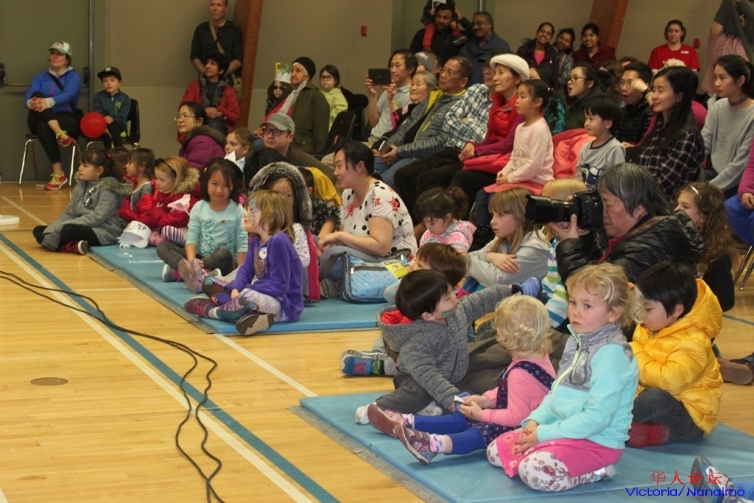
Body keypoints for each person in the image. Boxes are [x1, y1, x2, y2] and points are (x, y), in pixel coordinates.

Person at [487, 262, 641, 492]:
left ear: (613, 313)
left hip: (595, 442)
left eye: (587, 305)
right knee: (496, 451)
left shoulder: (613, 354)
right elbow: (556, 392)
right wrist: (535, 421)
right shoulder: (576, 341)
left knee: (534, 472)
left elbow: (597, 417)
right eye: (573, 302)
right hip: (560, 431)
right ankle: (547, 451)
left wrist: (543, 433)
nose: (576, 311)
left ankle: (597, 471)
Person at [367, 295, 555, 465]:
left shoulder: (521, 373)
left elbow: (516, 417)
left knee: (478, 432)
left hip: (519, 427)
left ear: (505, 335)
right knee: (464, 415)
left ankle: (434, 445)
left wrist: (481, 415)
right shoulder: (536, 355)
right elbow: (512, 391)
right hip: (513, 415)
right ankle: (409, 422)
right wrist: (486, 400)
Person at [354, 268, 539, 417]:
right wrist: (451, 398)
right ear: (428, 315)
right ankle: (377, 408)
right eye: (448, 298)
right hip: (419, 380)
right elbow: (428, 376)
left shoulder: (454, 313)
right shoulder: (416, 342)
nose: (455, 297)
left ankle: (431, 407)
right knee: (420, 393)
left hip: (455, 373)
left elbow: (480, 301)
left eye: (452, 291)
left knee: (478, 389)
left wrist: (512, 290)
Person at [554, 163, 704, 284]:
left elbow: (596, 293)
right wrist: (584, 237)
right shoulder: (646, 235)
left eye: (607, 203)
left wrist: (570, 244)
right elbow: (599, 268)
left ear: (639, 207)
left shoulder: (651, 248)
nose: (601, 211)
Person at [185, 190, 304, 336]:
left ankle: (212, 311)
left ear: (270, 214)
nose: (245, 214)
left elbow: (279, 285)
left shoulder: (279, 241)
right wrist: (236, 287)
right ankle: (248, 315)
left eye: (251, 210)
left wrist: (245, 290)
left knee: (247, 296)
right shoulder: (256, 241)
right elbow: (246, 270)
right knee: (209, 282)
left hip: (284, 305)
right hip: (260, 296)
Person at [629, 262, 722, 448]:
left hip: (689, 419)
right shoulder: (649, 327)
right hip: (654, 409)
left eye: (647, 309)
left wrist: (631, 352)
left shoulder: (694, 341)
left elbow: (668, 382)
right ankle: (644, 431)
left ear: (677, 310)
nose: (640, 314)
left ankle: (610, 425)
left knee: (656, 398)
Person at [342, 243, 469, 378]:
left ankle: (384, 363)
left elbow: (390, 293)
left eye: (419, 265)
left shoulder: (452, 303)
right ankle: (378, 357)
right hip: (410, 353)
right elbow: (389, 294)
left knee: (404, 353)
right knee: (391, 330)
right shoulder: (427, 296)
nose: (412, 265)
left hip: (429, 359)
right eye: (415, 261)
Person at [386, 55, 484, 202]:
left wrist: (400, 151)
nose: (443, 75)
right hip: (402, 149)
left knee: (386, 182)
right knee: (366, 168)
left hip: (420, 154)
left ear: (463, 82)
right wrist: (387, 146)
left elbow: (439, 142)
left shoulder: (462, 104)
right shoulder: (433, 95)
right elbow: (407, 123)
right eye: (443, 69)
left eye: (450, 72)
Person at [318, 141, 417, 287]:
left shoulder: (379, 194)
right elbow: (346, 238)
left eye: (339, 166)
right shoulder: (347, 194)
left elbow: (381, 247)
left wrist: (339, 237)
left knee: (332, 257)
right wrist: (332, 242)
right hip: (362, 256)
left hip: (392, 263)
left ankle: (317, 281)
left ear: (360, 166)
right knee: (313, 242)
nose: (335, 172)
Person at [451, 53, 529, 208]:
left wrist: (477, 151)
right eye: (495, 72)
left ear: (517, 79)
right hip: (494, 158)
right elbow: (488, 139)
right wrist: (472, 145)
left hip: (511, 164)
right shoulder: (498, 103)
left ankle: (450, 219)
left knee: (462, 177)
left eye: (501, 73)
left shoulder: (523, 107)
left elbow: (509, 144)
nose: (495, 77)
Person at [157, 159, 247, 291]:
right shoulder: (199, 207)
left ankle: (188, 274)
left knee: (223, 254)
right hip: (199, 258)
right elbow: (192, 237)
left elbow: (242, 242)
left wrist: (240, 273)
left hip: (223, 262)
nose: (219, 190)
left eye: (226, 185)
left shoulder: (237, 210)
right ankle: (193, 272)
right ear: (206, 183)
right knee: (163, 246)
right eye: (214, 184)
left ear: (233, 186)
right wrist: (192, 260)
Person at [32, 149, 130, 254]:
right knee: (40, 231)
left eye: (85, 166)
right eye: (80, 165)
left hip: (103, 230)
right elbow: (69, 212)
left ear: (99, 170)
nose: (80, 168)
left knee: (67, 230)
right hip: (80, 224)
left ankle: (66, 245)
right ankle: (74, 246)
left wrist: (62, 226)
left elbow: (97, 217)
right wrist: (55, 227)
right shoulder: (80, 186)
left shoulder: (108, 188)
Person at [637, 66, 704, 201]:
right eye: (654, 90)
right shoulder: (659, 126)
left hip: (667, 204)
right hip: (642, 198)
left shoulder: (687, 135)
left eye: (660, 91)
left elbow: (664, 185)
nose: (654, 96)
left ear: (679, 96)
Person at [24, 41, 82, 190]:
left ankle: (58, 174)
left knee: (43, 127)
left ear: (67, 59)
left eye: (60, 54)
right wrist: (32, 103)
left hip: (66, 118)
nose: (55, 56)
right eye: (53, 53)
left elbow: (68, 95)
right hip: (37, 117)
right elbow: (28, 96)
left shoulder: (74, 77)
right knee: (37, 94)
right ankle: (59, 134)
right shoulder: (40, 77)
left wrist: (47, 102)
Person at [468, 189, 549, 287]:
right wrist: (489, 256)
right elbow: (467, 259)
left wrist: (467, 259)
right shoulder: (501, 239)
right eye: (492, 215)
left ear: (520, 215)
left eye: (500, 215)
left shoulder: (534, 248)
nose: (492, 221)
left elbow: (496, 279)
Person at [675, 183, 736, 312]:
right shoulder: (675, 240)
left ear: (703, 215)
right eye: (678, 204)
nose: (676, 210)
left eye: (685, 206)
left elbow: (725, 300)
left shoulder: (717, 255)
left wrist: (690, 305)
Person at [702, 55, 754, 197]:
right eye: (715, 77)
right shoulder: (718, 106)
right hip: (714, 175)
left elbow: (740, 166)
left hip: (738, 183)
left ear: (740, 80)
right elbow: (703, 144)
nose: (717, 83)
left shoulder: (752, 115)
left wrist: (705, 190)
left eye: (723, 78)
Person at [540, 179, 588, 330]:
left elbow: (562, 299)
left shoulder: (572, 247)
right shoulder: (557, 240)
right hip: (548, 299)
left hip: (560, 315)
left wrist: (540, 328)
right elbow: (550, 280)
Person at [122, 157, 200, 246]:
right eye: (156, 178)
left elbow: (171, 221)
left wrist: (158, 210)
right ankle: (160, 239)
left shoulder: (187, 199)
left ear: (175, 180)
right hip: (165, 225)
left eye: (162, 180)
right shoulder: (163, 194)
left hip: (185, 231)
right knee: (145, 230)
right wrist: (138, 223)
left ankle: (166, 239)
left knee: (168, 230)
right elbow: (151, 215)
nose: (157, 183)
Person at [269, 56, 329, 154]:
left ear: (307, 76)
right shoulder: (290, 94)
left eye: (298, 71)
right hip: (284, 142)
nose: (293, 74)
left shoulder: (315, 96)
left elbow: (321, 133)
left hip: (301, 149)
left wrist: (318, 156)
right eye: (292, 71)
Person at [254, 113, 333, 181]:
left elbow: (330, 173)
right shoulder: (255, 156)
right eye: (267, 130)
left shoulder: (298, 157)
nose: (270, 136)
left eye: (277, 131)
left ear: (290, 137)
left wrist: (301, 178)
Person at [702, 0, 754, 97]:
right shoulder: (719, 39)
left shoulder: (745, 39)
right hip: (714, 94)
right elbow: (716, 30)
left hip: (737, 95)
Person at [181, 52, 240, 136]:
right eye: (206, 63)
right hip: (196, 125)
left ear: (221, 70)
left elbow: (235, 116)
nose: (207, 66)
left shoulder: (229, 91)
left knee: (214, 125)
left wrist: (218, 109)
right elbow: (184, 109)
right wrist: (204, 112)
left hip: (219, 127)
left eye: (213, 64)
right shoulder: (194, 86)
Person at [365, 50, 417, 145]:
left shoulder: (413, 94)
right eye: (391, 65)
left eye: (398, 65)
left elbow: (399, 127)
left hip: (388, 143)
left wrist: (391, 101)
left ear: (410, 70)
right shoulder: (388, 90)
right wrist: (373, 95)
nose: (392, 70)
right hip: (372, 139)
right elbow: (373, 122)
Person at [578, 96, 625, 188]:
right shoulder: (585, 148)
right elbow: (579, 177)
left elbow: (619, 180)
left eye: (591, 119)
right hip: (584, 194)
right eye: (586, 118)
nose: (586, 123)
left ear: (608, 123)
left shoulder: (614, 149)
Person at [190, 0, 243, 81]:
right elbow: (194, 56)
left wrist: (220, 73)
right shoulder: (201, 29)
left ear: (226, 9)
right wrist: (207, 73)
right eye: (212, 5)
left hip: (226, 80)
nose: (215, 8)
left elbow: (238, 59)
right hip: (204, 81)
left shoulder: (234, 31)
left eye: (219, 5)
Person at [414, 187, 475, 251]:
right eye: (425, 223)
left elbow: (459, 257)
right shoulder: (428, 234)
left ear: (446, 218)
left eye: (432, 223)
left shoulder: (458, 240)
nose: (427, 227)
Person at [459, 11, 511, 85]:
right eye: (473, 24)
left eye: (480, 23)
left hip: (491, 88)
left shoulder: (501, 46)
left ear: (490, 25)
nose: (475, 27)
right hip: (467, 89)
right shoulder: (467, 46)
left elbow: (504, 73)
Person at [175, 102, 226, 175]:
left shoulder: (202, 141)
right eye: (179, 116)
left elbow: (192, 174)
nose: (180, 120)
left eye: (185, 116)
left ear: (199, 121)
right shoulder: (189, 141)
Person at [387, 71, 437, 139]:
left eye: (418, 84)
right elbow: (396, 124)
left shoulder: (429, 112)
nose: (413, 88)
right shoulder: (409, 108)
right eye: (412, 84)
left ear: (430, 90)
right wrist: (391, 101)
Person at [615, 62, 654, 146]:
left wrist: (633, 148)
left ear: (644, 86)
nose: (624, 88)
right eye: (622, 82)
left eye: (630, 83)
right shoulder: (622, 110)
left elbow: (647, 145)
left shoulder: (651, 111)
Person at [92, 66, 131, 149]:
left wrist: (113, 119)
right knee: (107, 131)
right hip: (102, 126)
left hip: (120, 127)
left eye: (112, 80)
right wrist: (106, 119)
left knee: (113, 127)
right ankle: (112, 154)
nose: (108, 83)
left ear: (119, 83)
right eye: (105, 81)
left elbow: (122, 117)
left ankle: (117, 152)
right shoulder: (98, 96)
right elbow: (98, 112)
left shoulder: (125, 99)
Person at [564, 63, 609, 131]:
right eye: (569, 78)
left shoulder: (601, 105)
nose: (569, 82)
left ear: (589, 83)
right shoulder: (572, 108)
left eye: (576, 78)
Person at [298, 167, 338, 238]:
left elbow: (336, 213)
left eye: (298, 189)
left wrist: (320, 237)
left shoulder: (316, 203)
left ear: (309, 191)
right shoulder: (288, 205)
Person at [119, 148, 155, 216]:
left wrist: (123, 213)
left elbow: (145, 214)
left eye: (130, 162)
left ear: (141, 166)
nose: (126, 166)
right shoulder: (135, 183)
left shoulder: (146, 188)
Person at [319, 65, 348, 129]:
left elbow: (340, 113)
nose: (325, 80)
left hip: (331, 127)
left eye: (329, 77)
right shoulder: (317, 94)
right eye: (323, 77)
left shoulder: (338, 95)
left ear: (335, 80)